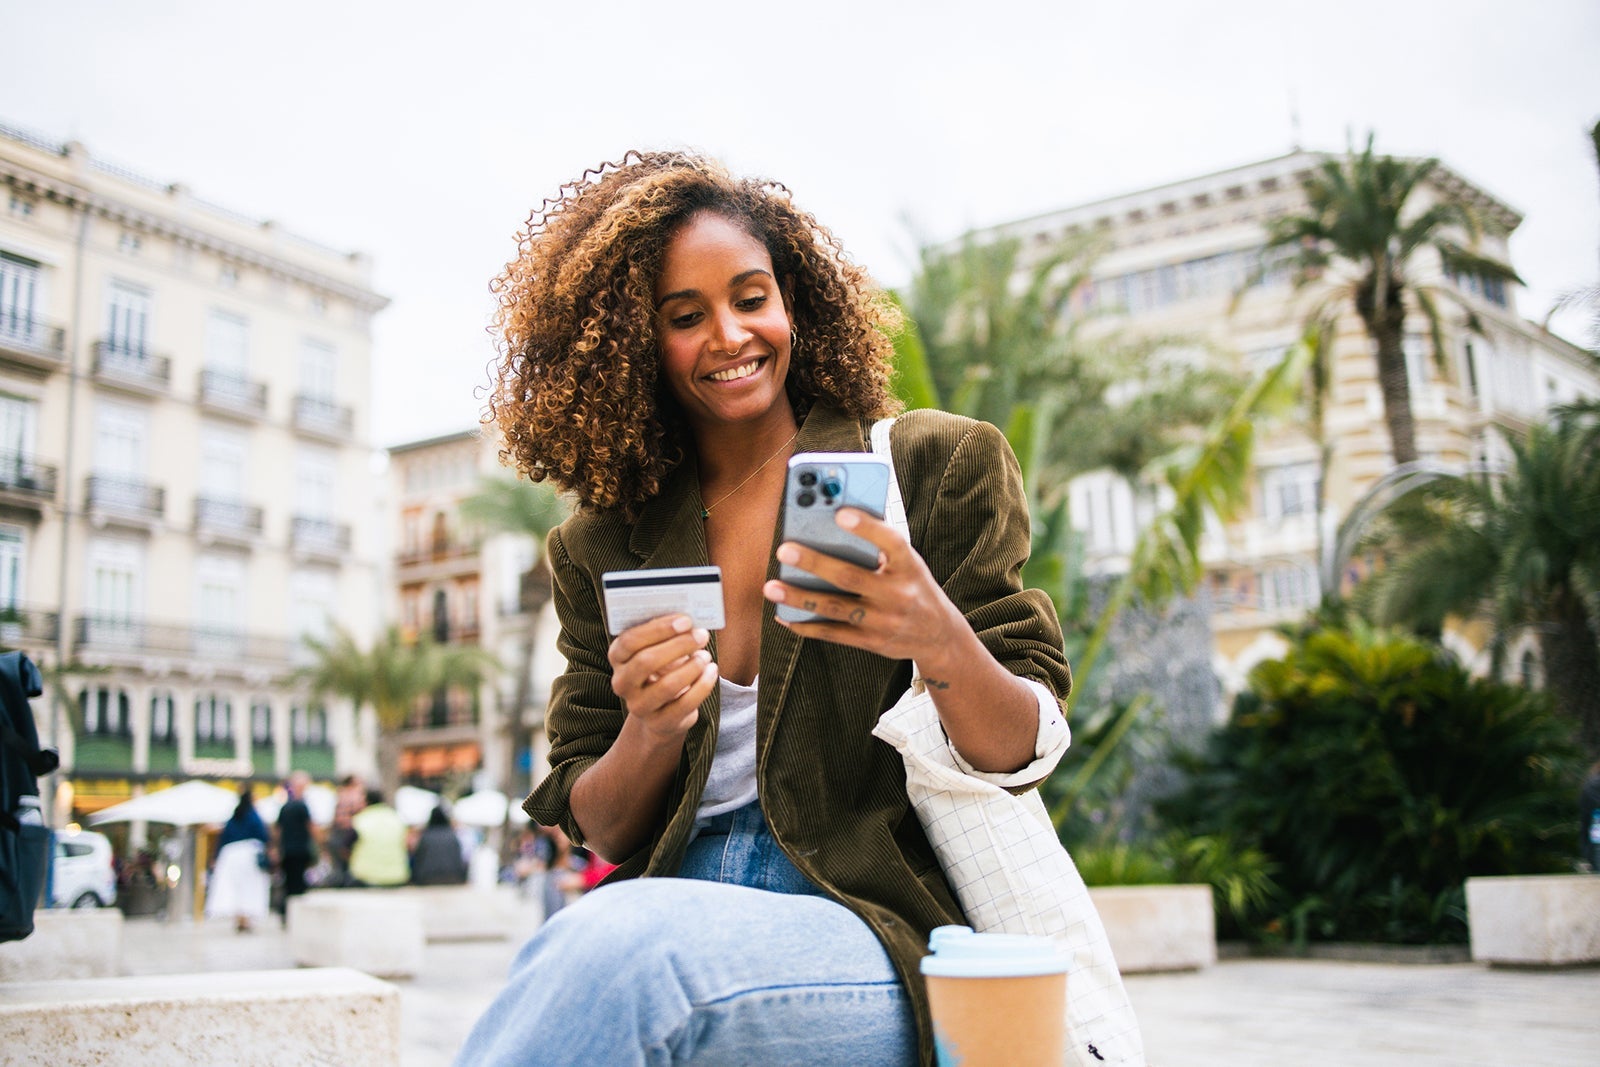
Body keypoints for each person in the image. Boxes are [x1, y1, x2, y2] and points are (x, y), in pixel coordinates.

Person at [454, 151, 1070, 1067]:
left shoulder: (931, 467)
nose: (730, 334)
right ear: (633, 343)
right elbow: (604, 822)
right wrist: (652, 729)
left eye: (751, 297)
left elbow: (1022, 752)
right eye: (684, 316)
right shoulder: (599, 543)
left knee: (627, 955)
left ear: (796, 302)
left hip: (874, 918)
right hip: (674, 895)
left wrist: (933, 632)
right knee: (610, 942)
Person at [206, 790, 271, 932]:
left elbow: (223, 838)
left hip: (230, 855)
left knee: (235, 887)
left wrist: (215, 857)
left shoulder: (233, 818)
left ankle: (240, 918)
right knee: (249, 887)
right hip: (249, 854)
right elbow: (264, 836)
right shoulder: (254, 817)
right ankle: (245, 918)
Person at [272, 770, 317, 921]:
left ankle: (287, 913)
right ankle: (294, 915)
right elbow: (311, 827)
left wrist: (276, 849)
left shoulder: (285, 807)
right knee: (298, 885)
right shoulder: (301, 806)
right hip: (299, 850)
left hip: (288, 850)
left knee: (289, 883)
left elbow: (277, 831)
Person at [348, 788, 410, 888]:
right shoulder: (397, 818)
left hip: (365, 876)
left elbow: (346, 847)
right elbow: (408, 844)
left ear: (366, 802)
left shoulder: (360, 820)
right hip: (397, 875)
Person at [410, 804, 469, 885]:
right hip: (452, 877)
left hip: (427, 879)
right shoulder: (452, 835)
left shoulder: (426, 836)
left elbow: (418, 857)